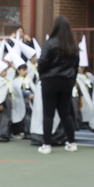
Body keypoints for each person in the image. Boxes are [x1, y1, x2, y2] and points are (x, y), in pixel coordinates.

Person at [35, 17, 79, 155]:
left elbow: (42, 62)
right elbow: (75, 66)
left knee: (48, 114)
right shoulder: (72, 45)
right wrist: (71, 79)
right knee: (65, 113)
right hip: (67, 82)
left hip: (50, 81)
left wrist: (43, 75)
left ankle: (46, 144)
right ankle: (72, 142)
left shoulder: (50, 43)